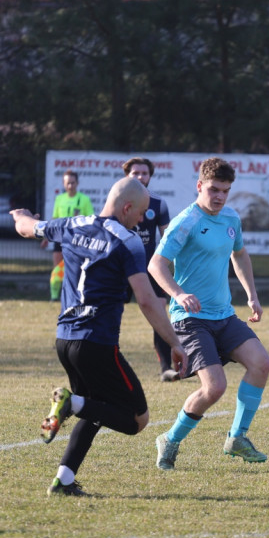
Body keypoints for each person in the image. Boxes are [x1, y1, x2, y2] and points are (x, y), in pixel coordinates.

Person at [11, 176, 186, 496]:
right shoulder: (128, 241)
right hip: (97, 343)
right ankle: (70, 403)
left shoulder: (72, 225)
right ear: (128, 207)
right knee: (136, 420)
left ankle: (63, 481)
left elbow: (27, 227)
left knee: (95, 408)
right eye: (141, 213)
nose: (141, 220)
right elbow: (147, 299)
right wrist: (174, 342)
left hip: (64, 340)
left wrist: (21, 216)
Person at [148, 157, 269, 470]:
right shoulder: (185, 221)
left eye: (225, 191)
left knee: (261, 363)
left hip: (224, 315)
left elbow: (240, 255)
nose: (219, 196)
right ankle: (171, 439)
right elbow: (156, 265)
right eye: (214, 189)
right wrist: (178, 293)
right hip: (190, 319)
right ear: (199, 185)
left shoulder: (230, 217)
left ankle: (237, 438)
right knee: (214, 388)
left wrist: (252, 296)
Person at [122, 157, 176, 382]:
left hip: (148, 269)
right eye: (135, 173)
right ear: (127, 175)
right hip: (121, 266)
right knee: (109, 313)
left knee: (159, 315)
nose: (140, 177)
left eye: (144, 173)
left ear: (150, 176)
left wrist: (167, 267)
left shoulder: (158, 204)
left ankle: (166, 368)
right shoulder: (117, 201)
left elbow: (166, 239)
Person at [44, 170, 94, 301]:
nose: (70, 186)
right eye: (68, 183)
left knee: (76, 269)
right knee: (57, 268)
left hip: (77, 239)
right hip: (60, 237)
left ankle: (75, 296)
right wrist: (46, 236)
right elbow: (55, 218)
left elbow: (90, 219)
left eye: (73, 183)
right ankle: (54, 296)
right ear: (63, 184)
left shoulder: (84, 199)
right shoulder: (60, 199)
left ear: (77, 183)